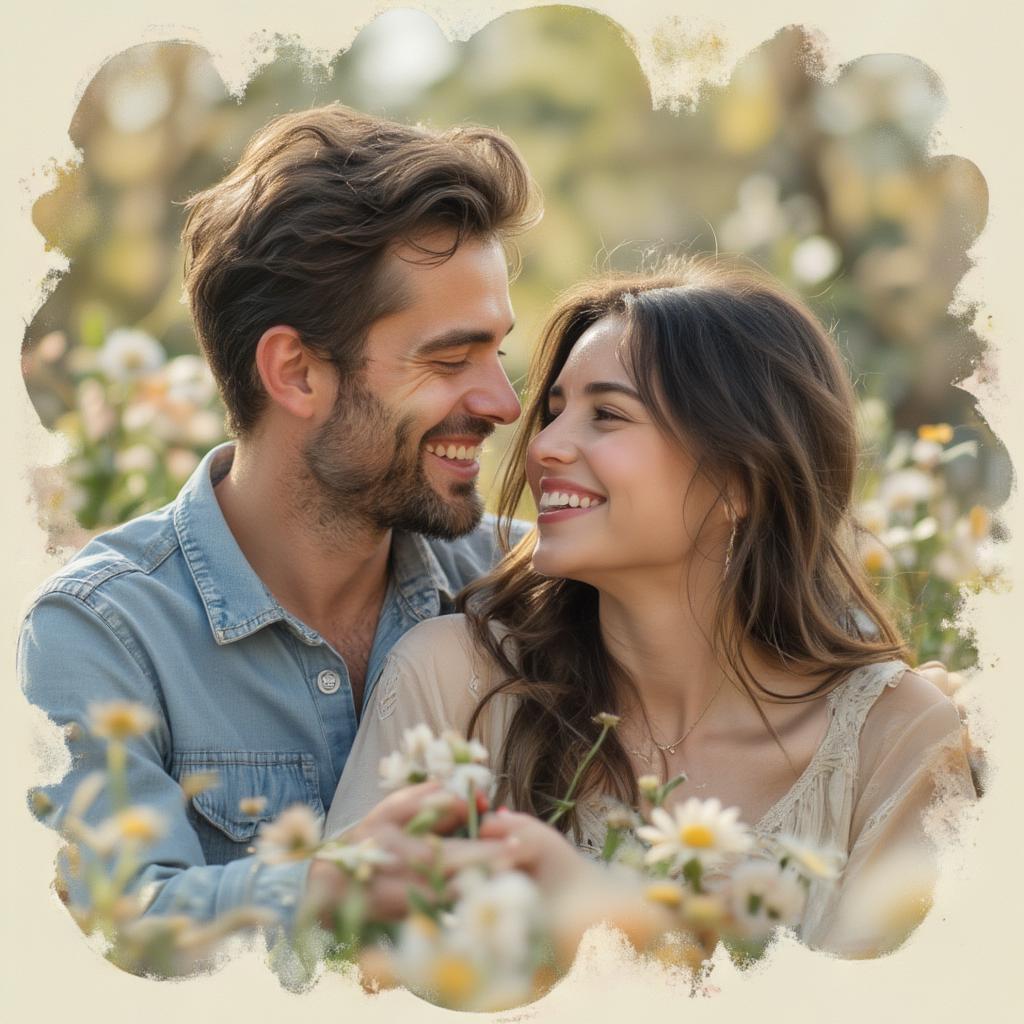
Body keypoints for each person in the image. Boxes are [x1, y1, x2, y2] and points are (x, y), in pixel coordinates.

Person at [325, 259, 977, 957]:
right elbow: (336, 964)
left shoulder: (896, 740)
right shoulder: (454, 682)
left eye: (607, 414)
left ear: (740, 481)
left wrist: (606, 923)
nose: (543, 446)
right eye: (553, 411)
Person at [18, 103, 541, 935]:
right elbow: (119, 928)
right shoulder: (101, 634)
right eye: (449, 359)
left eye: (497, 353)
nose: (504, 404)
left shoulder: (525, 587)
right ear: (295, 373)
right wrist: (340, 889)